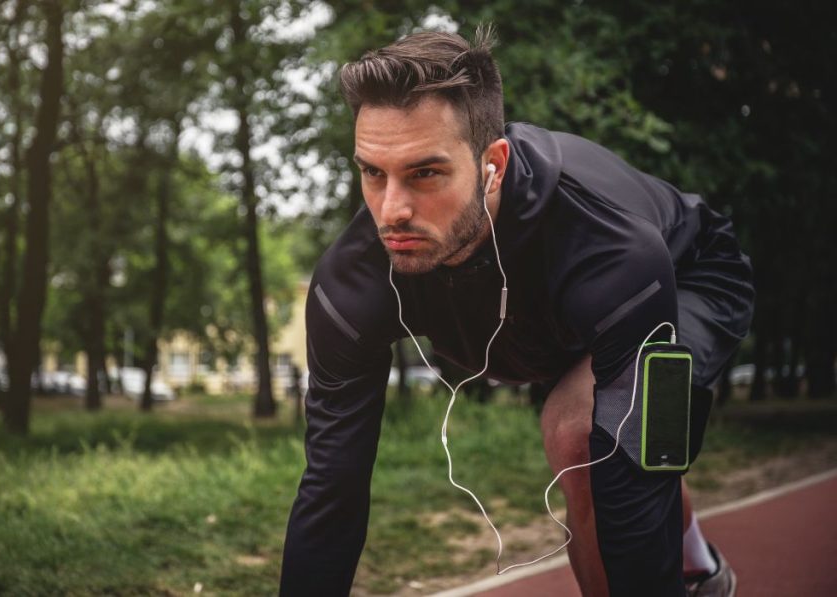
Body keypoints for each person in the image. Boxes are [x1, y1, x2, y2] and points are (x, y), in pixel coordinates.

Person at [279, 29, 753, 597]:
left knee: (586, 434)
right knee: (601, 429)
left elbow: (635, 477)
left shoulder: (605, 246)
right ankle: (698, 558)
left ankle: (695, 573)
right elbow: (332, 486)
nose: (392, 211)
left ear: (493, 165)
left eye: (425, 173)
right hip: (552, 324)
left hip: (689, 278)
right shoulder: (353, 281)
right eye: (373, 173)